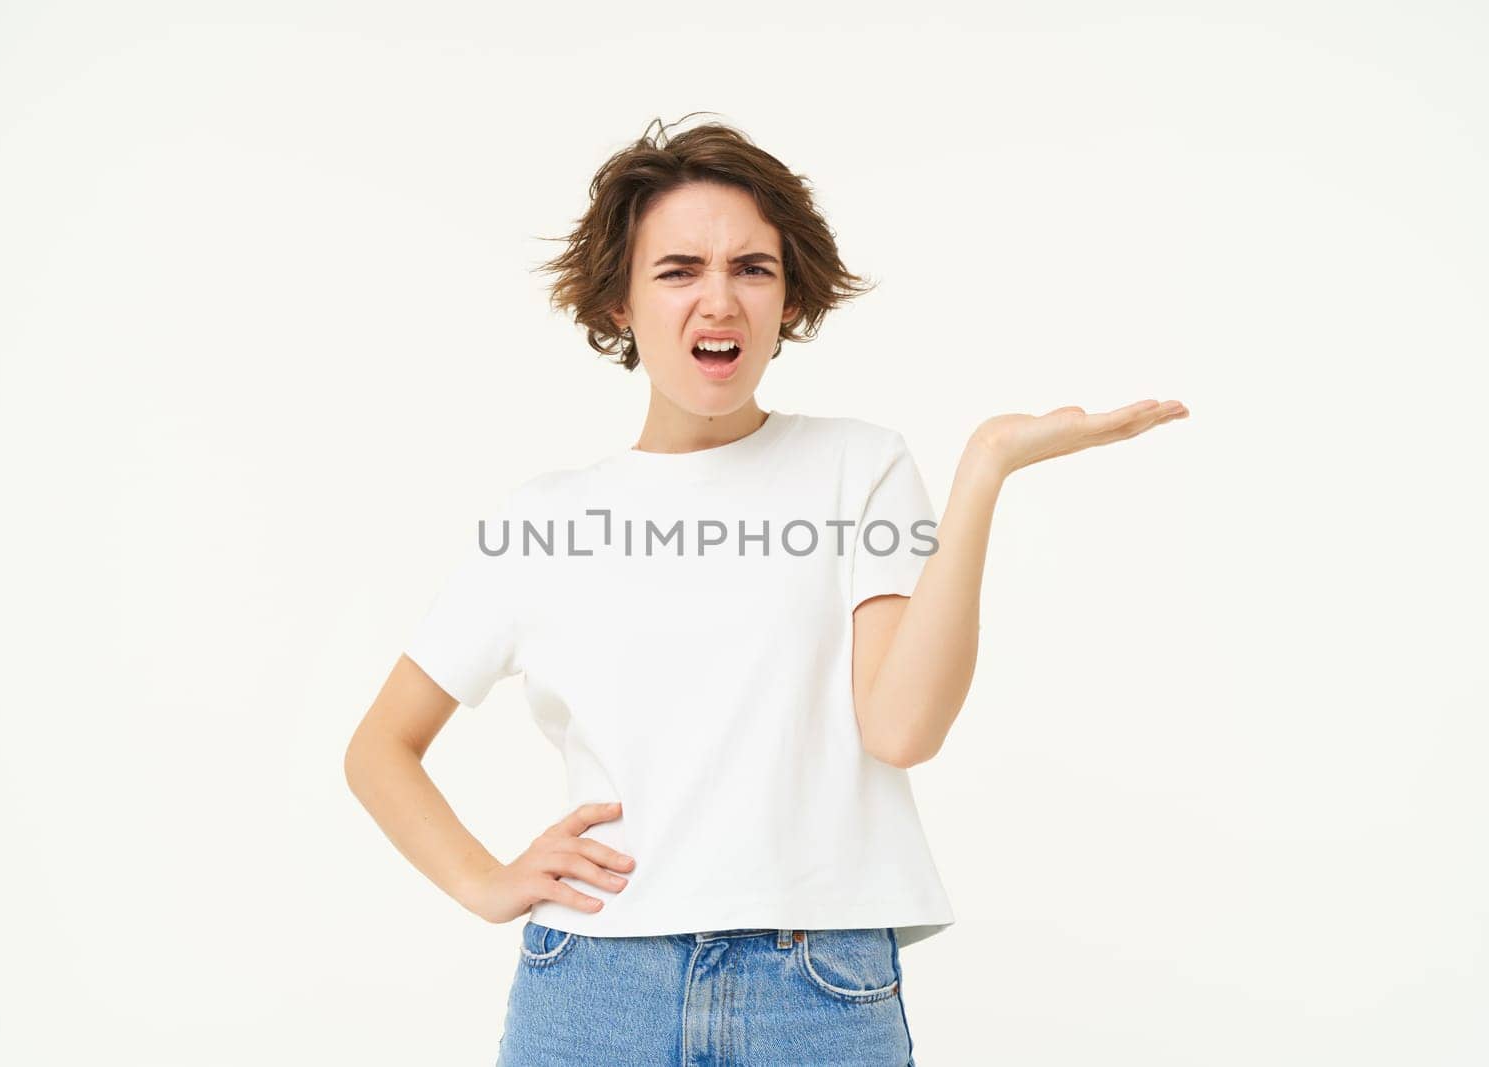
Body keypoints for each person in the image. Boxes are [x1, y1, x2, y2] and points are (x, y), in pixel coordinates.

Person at [344, 113, 1189, 1066]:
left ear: (789, 301)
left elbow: (903, 729)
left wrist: (985, 468)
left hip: (818, 990)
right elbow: (381, 747)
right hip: (591, 987)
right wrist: (487, 880)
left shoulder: (858, 467)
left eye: (753, 268)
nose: (720, 300)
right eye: (678, 270)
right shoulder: (545, 519)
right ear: (619, 304)